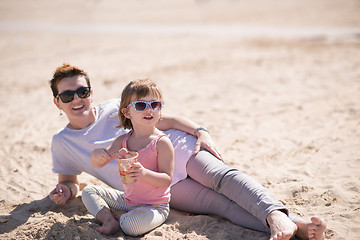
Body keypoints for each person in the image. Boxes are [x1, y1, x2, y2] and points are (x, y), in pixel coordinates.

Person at [48, 63, 326, 240]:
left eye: (82, 91)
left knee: (224, 178)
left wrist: (200, 131)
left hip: (178, 148)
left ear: (90, 92)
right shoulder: (62, 142)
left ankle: (276, 215)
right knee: (221, 206)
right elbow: (69, 183)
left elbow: (166, 121)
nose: (77, 99)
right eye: (68, 95)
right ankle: (296, 225)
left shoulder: (115, 108)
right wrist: (65, 192)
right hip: (158, 183)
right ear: (57, 102)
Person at [82, 79, 174, 236]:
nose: (148, 110)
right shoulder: (123, 141)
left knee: (130, 227)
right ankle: (109, 219)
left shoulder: (162, 142)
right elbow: (98, 163)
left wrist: (144, 174)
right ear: (126, 112)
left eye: (154, 104)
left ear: (160, 109)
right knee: (88, 191)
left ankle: (119, 217)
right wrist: (98, 155)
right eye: (140, 105)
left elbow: (167, 179)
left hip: (155, 206)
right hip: (128, 201)